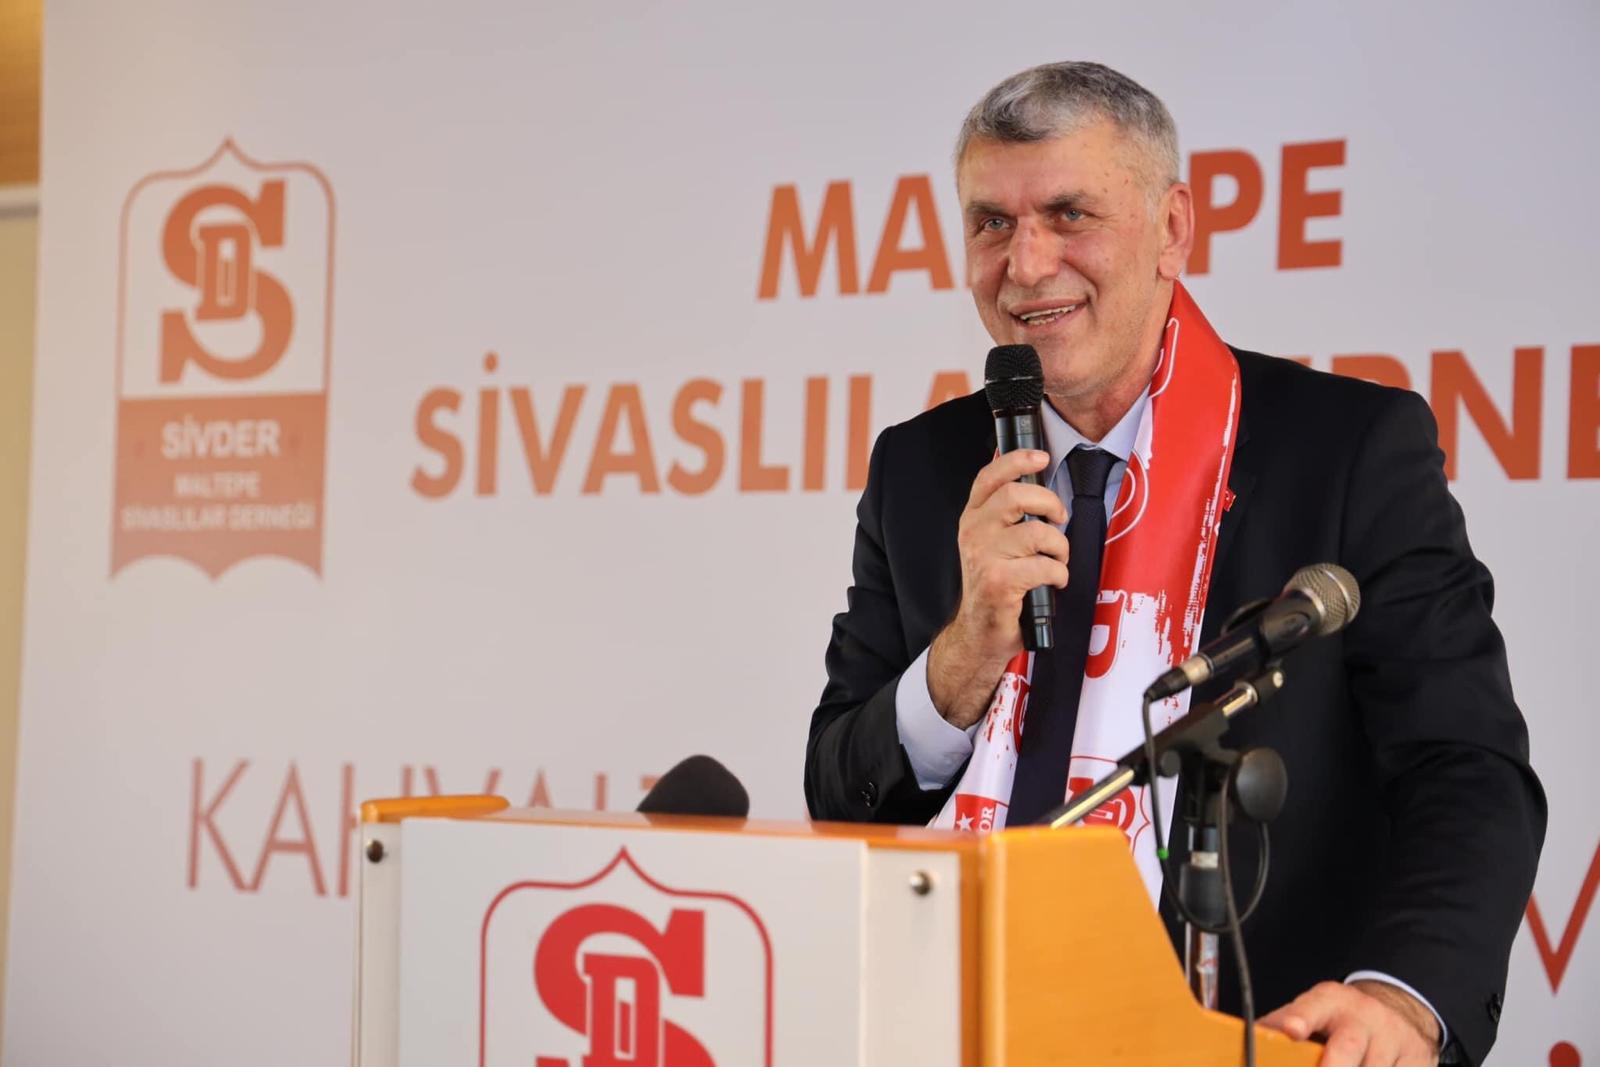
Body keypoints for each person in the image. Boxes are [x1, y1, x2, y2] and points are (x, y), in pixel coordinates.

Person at [804, 61, 1544, 1067]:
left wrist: (1403, 997)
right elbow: (840, 793)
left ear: (1172, 228)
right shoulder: (923, 467)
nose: (1025, 264)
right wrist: (962, 654)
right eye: (991, 223)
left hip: (1241, 1035)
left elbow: (1466, 768)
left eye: (1069, 214)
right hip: (949, 1027)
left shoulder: (1346, 451)